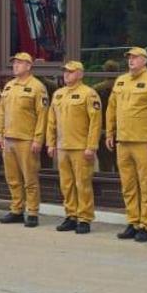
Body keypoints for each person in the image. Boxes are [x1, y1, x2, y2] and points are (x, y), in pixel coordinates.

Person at [105, 47, 147, 242]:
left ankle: (146, 226)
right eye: (129, 58)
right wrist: (109, 132)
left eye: (135, 58)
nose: (131, 61)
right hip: (123, 141)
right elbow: (111, 108)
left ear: (145, 61)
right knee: (128, 185)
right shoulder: (121, 80)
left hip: (144, 142)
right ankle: (133, 222)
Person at [45, 60, 101, 234]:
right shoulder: (58, 94)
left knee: (82, 184)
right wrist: (50, 142)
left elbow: (95, 123)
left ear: (80, 74)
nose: (66, 74)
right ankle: (71, 215)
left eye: (70, 71)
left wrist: (91, 146)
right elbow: (51, 121)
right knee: (66, 184)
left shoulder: (89, 94)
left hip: (80, 148)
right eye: (65, 71)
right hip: (62, 147)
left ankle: (84, 218)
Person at [0, 52, 50, 227]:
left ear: (28, 66)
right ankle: (17, 209)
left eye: (19, 63)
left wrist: (38, 140)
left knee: (30, 178)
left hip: (27, 140)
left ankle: (32, 212)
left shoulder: (37, 87)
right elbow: (1, 112)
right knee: (13, 178)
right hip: (9, 139)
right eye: (14, 63)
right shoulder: (9, 86)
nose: (16, 65)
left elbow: (43, 116)